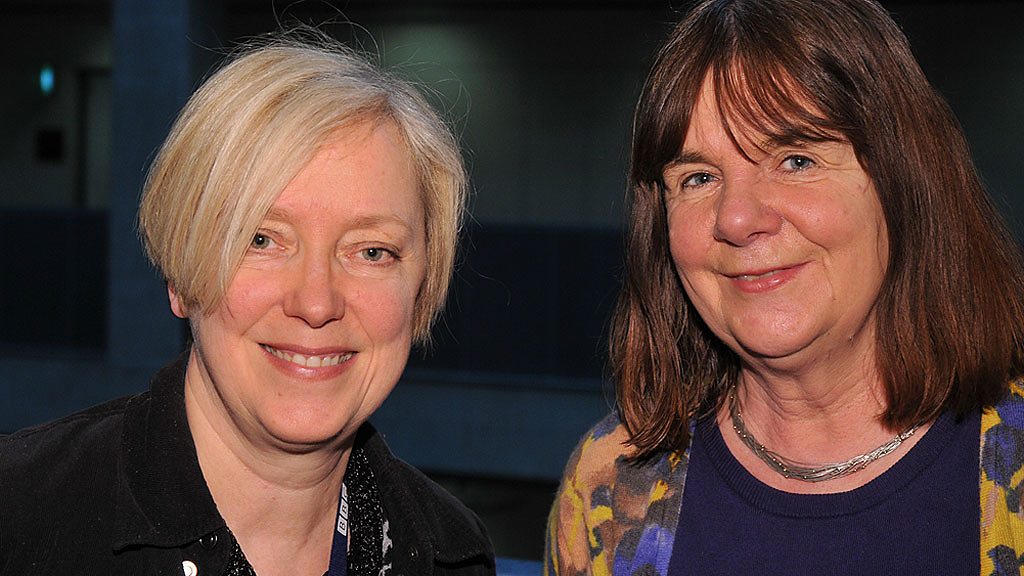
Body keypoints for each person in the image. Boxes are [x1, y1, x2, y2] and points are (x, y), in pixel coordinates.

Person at [545, 0, 1024, 574]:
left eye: (796, 160)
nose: (736, 218)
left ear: (906, 182)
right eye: (699, 177)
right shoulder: (608, 487)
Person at [0, 34, 494, 576]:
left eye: (372, 251)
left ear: (421, 291)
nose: (316, 303)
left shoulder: (453, 554)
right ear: (182, 276)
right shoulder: (19, 516)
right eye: (262, 240)